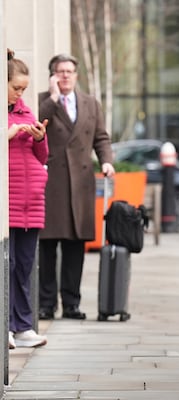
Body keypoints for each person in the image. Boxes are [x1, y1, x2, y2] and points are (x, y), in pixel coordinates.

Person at [38, 53, 115, 321]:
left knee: (74, 246)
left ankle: (71, 303)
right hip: (51, 184)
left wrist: (106, 162)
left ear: (76, 75)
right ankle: (46, 304)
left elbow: (101, 138)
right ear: (52, 76)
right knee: (47, 247)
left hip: (80, 184)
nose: (65, 76)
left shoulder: (90, 104)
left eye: (69, 71)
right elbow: (35, 125)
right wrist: (53, 99)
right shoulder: (41, 102)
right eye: (60, 71)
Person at [7, 49, 49, 349]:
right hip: (7, 203)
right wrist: (7, 134)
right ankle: (6, 326)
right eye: (16, 88)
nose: (20, 94)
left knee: (24, 266)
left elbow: (42, 155)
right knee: (5, 268)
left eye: (23, 89)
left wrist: (38, 137)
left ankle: (23, 326)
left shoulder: (26, 112)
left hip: (30, 203)